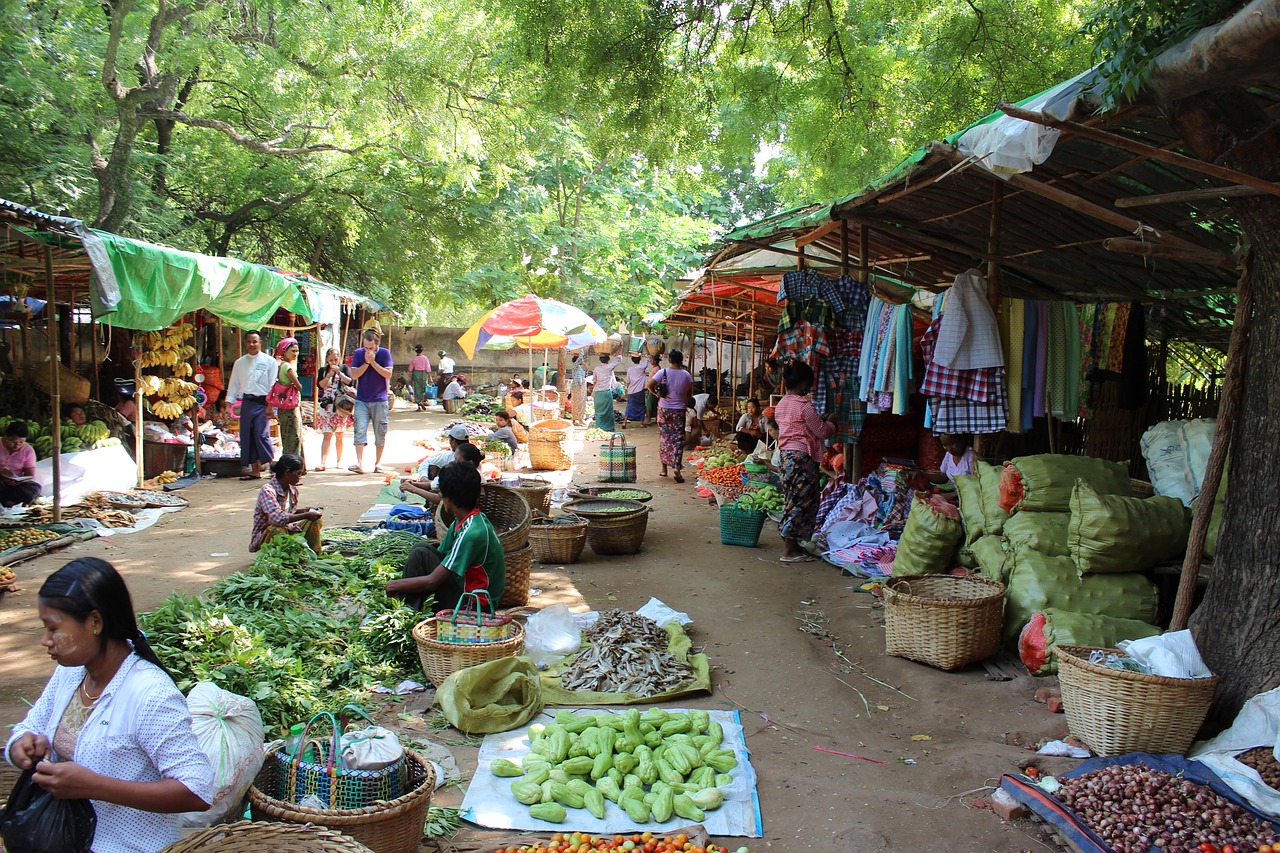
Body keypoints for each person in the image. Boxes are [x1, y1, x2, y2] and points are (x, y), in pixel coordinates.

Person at [5, 558, 213, 853]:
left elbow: (196, 790)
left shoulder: (150, 694)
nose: (45, 641)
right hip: (64, 839)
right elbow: (29, 727)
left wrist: (95, 786)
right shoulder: (71, 673)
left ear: (95, 622)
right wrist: (21, 747)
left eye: (53, 629)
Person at [386, 462, 505, 612]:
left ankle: (408, 613)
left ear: (449, 499)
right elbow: (442, 556)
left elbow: (432, 581)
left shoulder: (472, 533)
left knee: (419, 557)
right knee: (421, 549)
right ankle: (411, 606)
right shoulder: (465, 520)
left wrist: (395, 585)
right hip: (462, 587)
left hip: (475, 605)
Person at [775, 361, 837, 563]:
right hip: (802, 459)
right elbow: (822, 431)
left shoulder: (782, 403)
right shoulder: (805, 406)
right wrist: (832, 422)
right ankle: (789, 550)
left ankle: (792, 543)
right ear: (803, 383)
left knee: (792, 500)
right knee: (802, 502)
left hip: (786, 457)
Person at [224, 331, 277, 480]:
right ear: (245, 343)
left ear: (260, 342)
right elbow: (233, 384)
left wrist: (270, 405)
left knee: (261, 434)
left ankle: (273, 468)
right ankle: (254, 470)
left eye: (255, 341)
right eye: (249, 342)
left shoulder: (269, 361)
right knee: (247, 435)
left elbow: (273, 384)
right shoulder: (240, 363)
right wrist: (228, 404)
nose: (252, 344)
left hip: (264, 402)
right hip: (247, 402)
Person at [250, 453, 323, 553]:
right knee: (277, 529)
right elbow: (277, 519)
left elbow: (286, 512)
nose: (300, 477)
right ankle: (275, 556)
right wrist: (306, 515)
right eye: (298, 473)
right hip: (267, 535)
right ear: (287, 473)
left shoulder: (292, 490)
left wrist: (304, 511)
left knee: (315, 520)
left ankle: (313, 553)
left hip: (287, 530)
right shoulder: (267, 490)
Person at [348, 328, 393, 474]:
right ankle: (359, 463)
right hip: (362, 399)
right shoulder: (358, 354)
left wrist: (373, 362)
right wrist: (366, 363)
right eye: (366, 347)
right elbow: (354, 375)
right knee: (359, 430)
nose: (368, 350)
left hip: (380, 399)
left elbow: (388, 373)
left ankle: (378, 463)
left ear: (376, 344)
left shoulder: (385, 353)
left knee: (380, 432)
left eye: (371, 348)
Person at [647, 349, 694, 482]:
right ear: (681, 360)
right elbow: (689, 394)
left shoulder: (663, 372)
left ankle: (664, 469)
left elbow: (649, 385)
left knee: (665, 438)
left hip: (664, 410)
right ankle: (677, 468)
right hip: (679, 411)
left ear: (670, 360)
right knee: (678, 440)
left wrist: (657, 395)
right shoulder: (686, 375)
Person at [400, 441, 483, 506]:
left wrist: (415, 489)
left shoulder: (469, 479)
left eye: (457, 460)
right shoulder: (463, 474)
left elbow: (444, 500)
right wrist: (414, 485)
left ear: (470, 463)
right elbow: (434, 485)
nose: (455, 462)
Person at [315, 347, 354, 471]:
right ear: (327, 360)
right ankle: (323, 462)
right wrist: (328, 375)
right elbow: (320, 385)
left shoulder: (344, 368)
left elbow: (350, 382)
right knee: (327, 434)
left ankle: (339, 461)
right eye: (331, 360)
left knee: (339, 435)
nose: (333, 362)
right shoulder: (323, 370)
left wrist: (339, 373)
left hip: (340, 406)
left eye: (335, 359)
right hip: (327, 406)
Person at [273, 337, 306, 472]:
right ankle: (292, 469)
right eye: (293, 351)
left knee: (291, 438)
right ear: (284, 352)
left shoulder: (282, 365)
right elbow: (299, 387)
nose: (295, 353)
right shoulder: (287, 367)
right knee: (293, 439)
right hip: (290, 409)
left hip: (288, 407)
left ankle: (298, 469)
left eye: (297, 351)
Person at [0, 421, 41, 506]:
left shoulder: (28, 450)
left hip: (17, 484)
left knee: (34, 488)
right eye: (13, 442)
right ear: (6, 437)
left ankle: (7, 502)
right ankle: (11, 503)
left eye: (21, 442)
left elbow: (30, 475)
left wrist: (18, 481)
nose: (17, 445)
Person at [592, 353, 622, 431]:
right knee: (608, 412)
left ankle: (599, 428)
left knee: (598, 412)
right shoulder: (609, 367)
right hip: (606, 393)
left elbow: (594, 381)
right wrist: (621, 348)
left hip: (598, 393)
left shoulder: (596, 369)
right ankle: (609, 428)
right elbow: (618, 359)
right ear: (608, 360)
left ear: (600, 360)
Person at [623, 354, 649, 427]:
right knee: (641, 406)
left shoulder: (630, 369)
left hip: (631, 390)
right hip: (640, 390)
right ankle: (641, 423)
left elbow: (628, 381)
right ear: (640, 359)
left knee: (629, 406)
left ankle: (624, 422)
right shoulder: (642, 367)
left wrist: (628, 388)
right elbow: (648, 358)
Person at [409, 345, 433, 411]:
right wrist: (430, 377)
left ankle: (419, 406)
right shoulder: (425, 358)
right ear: (422, 350)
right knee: (424, 388)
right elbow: (428, 369)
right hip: (424, 374)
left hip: (416, 374)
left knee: (417, 390)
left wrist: (412, 378)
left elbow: (410, 369)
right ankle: (422, 401)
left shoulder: (414, 359)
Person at [568, 351, 588, 426]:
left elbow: (586, 368)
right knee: (577, 403)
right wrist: (582, 349)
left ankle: (579, 419)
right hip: (577, 386)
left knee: (581, 403)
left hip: (581, 386)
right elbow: (580, 358)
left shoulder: (580, 367)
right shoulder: (575, 366)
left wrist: (583, 362)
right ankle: (577, 419)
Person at [645, 353, 662, 425]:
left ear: (655, 361)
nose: (650, 361)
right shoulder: (655, 368)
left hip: (653, 388)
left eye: (652, 360)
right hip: (652, 387)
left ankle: (649, 419)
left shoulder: (657, 369)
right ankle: (655, 418)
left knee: (650, 404)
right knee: (654, 404)